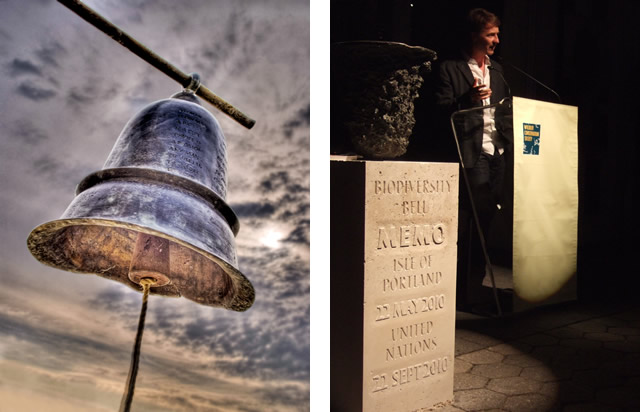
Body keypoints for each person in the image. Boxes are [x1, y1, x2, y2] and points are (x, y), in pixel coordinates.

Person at [434, 8, 512, 309]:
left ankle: (475, 286)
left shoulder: (499, 71)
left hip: (497, 153)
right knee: (472, 221)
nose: (496, 39)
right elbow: (440, 111)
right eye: (491, 34)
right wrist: (468, 98)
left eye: (497, 33)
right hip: (472, 153)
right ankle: (461, 289)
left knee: (488, 218)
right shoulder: (450, 69)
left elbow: (505, 110)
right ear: (474, 36)